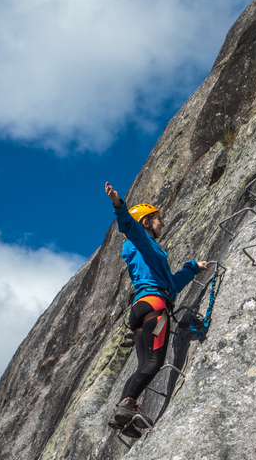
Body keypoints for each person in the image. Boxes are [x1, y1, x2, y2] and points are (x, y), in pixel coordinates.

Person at [105, 182, 210, 435]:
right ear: (145, 223)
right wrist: (119, 206)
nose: (162, 222)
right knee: (153, 362)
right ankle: (128, 404)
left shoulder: (143, 252)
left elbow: (171, 285)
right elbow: (130, 226)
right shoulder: (144, 243)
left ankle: (123, 411)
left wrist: (193, 267)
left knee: (143, 366)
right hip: (155, 306)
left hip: (141, 308)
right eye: (157, 218)